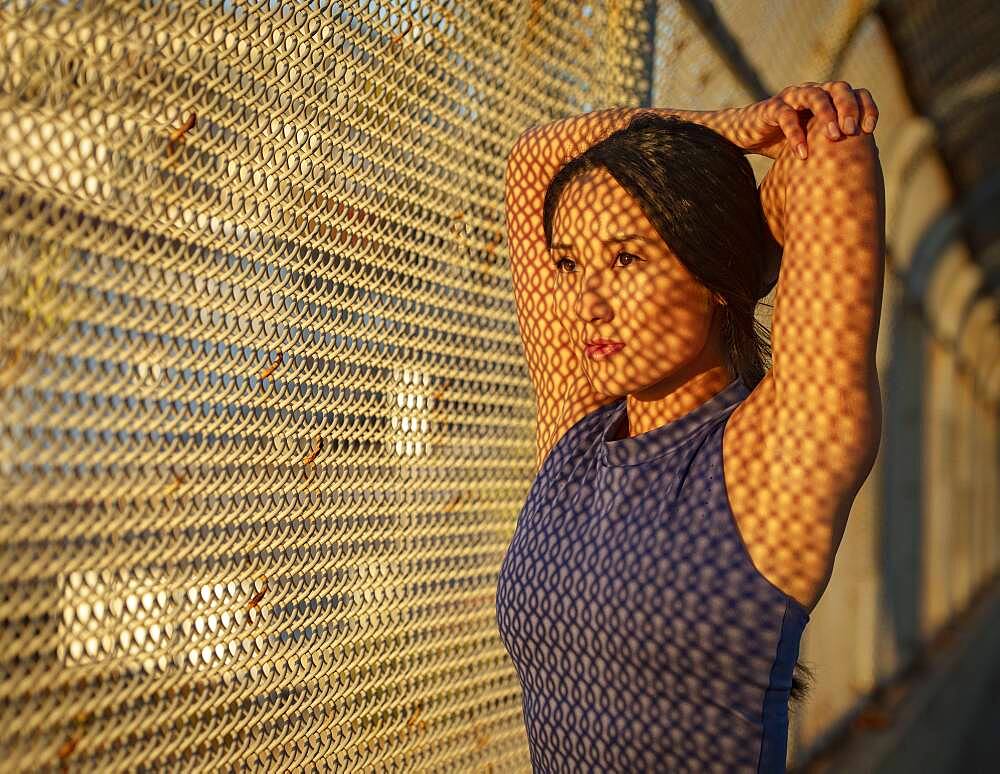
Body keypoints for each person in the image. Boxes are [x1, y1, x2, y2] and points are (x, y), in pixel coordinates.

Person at [495, 82, 885, 772]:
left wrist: (728, 251)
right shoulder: (576, 431)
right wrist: (730, 127)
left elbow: (829, 144)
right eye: (569, 262)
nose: (587, 304)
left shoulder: (774, 456)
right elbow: (533, 161)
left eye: (627, 259)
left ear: (709, 270)